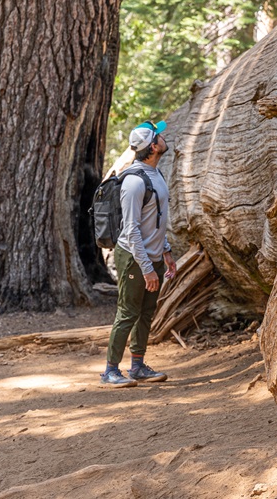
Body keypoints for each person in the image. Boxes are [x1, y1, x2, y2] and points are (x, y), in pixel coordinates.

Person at [101, 120, 178, 387]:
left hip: (152, 256)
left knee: (146, 312)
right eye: (159, 135)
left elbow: (154, 221)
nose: (164, 137)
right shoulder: (134, 181)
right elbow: (132, 230)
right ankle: (110, 370)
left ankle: (137, 366)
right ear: (153, 146)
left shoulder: (156, 174)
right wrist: (146, 267)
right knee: (128, 312)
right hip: (134, 257)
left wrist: (165, 251)